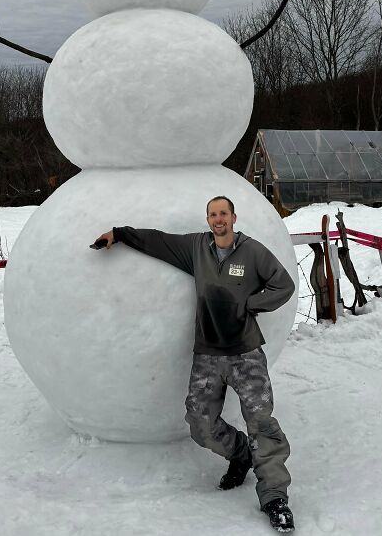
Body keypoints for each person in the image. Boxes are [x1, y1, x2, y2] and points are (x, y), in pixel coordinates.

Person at [94, 195, 296, 533]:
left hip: (246, 353)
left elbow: (284, 285)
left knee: (261, 423)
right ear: (208, 219)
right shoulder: (196, 249)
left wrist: (251, 304)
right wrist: (119, 233)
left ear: (234, 217)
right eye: (213, 214)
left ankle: (275, 497)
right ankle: (240, 453)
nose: (218, 220)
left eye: (223, 214)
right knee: (200, 423)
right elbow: (158, 241)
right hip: (208, 353)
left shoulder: (253, 251)